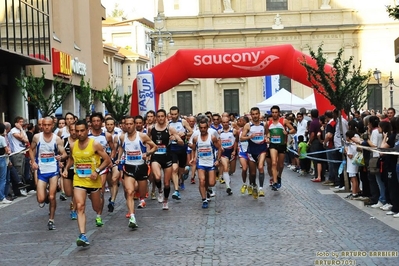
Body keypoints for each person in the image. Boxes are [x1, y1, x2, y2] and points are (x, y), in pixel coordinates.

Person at [62, 120, 111, 247]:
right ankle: (82, 235)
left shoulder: (95, 144)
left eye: (82, 130)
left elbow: (107, 160)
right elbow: (72, 159)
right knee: (80, 206)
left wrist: (97, 171)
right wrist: (67, 169)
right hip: (79, 180)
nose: (79, 133)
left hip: (94, 181)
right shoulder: (73, 145)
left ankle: (98, 212)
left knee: (96, 207)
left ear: (87, 131)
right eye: (77, 131)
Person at [117, 116, 157, 228]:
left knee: (142, 192)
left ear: (134, 124)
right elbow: (121, 147)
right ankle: (132, 217)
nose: (128, 126)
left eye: (131, 124)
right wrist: (119, 157)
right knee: (129, 191)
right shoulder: (122, 137)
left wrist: (147, 154)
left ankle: (143, 197)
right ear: (124, 125)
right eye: (127, 124)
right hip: (129, 167)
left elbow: (155, 147)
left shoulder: (142, 136)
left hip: (141, 167)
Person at [29, 117, 67, 230]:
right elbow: (31, 149)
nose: (46, 127)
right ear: (41, 125)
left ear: (52, 125)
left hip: (53, 171)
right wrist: (33, 161)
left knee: (52, 196)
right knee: (41, 199)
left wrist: (61, 157)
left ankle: (51, 219)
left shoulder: (57, 139)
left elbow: (64, 154)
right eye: (44, 125)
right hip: (41, 170)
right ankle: (45, 197)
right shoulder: (37, 137)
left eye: (49, 125)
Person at [149, 109, 184, 210]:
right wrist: (148, 153)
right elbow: (148, 141)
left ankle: (165, 200)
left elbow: (181, 142)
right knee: (157, 177)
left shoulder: (170, 128)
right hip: (155, 156)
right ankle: (159, 190)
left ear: (165, 117)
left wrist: (176, 139)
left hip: (167, 157)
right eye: (158, 116)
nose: (160, 118)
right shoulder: (151, 128)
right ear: (156, 117)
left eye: (162, 116)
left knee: (167, 183)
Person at [88, 112, 115, 224]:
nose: (96, 123)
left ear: (102, 122)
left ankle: (99, 215)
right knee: (92, 194)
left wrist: (111, 159)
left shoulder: (107, 135)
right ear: (91, 123)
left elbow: (113, 149)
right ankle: (96, 202)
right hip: (89, 167)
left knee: (101, 190)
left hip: (103, 166)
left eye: (98, 121)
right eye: (94, 121)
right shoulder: (87, 135)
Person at [190, 118, 222, 208]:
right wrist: (193, 158)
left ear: (207, 127)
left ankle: (207, 189)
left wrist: (218, 160)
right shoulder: (196, 138)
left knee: (211, 183)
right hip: (201, 163)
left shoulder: (212, 137)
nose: (203, 130)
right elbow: (193, 148)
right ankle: (204, 200)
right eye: (201, 128)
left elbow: (219, 148)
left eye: (204, 128)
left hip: (211, 162)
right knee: (202, 180)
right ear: (199, 128)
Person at [267, 105, 296, 191]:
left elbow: (293, 130)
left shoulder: (284, 121)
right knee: (274, 163)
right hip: (273, 145)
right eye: (273, 112)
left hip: (282, 145)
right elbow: (267, 133)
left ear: (279, 113)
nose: (274, 114)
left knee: (280, 165)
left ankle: (279, 176)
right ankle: (275, 182)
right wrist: (268, 137)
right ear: (271, 113)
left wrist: (287, 132)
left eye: (276, 112)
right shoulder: (268, 123)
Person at [240, 107, 268, 198]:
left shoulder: (264, 124)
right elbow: (241, 138)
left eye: (257, 114)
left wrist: (267, 138)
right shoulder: (248, 125)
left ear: (259, 114)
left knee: (260, 167)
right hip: (251, 151)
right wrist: (249, 137)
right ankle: (253, 185)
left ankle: (260, 189)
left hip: (262, 149)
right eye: (253, 114)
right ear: (251, 115)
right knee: (252, 173)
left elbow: (267, 133)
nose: (255, 116)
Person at [168, 106, 192, 197]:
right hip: (172, 149)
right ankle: (176, 190)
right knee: (174, 169)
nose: (173, 116)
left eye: (175, 114)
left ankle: (184, 175)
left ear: (178, 114)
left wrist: (185, 133)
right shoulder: (168, 123)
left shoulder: (183, 122)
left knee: (181, 170)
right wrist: (170, 136)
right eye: (172, 114)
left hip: (182, 148)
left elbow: (191, 131)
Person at [61, 123, 78, 220]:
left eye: (76, 130)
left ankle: (74, 210)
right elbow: (62, 154)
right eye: (72, 130)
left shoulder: (81, 141)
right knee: (68, 193)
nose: (74, 132)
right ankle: (73, 201)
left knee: (76, 190)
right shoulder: (65, 141)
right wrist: (61, 159)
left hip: (78, 170)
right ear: (69, 131)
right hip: (67, 169)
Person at [219, 116, 238, 195]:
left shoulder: (233, 131)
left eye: (227, 122)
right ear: (221, 123)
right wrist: (220, 148)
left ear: (229, 122)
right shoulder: (219, 132)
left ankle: (227, 178)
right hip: (224, 152)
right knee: (225, 167)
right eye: (224, 122)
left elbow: (236, 141)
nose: (225, 124)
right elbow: (218, 142)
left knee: (232, 170)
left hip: (232, 152)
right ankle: (228, 186)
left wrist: (234, 150)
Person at [344, 130, 360, 199]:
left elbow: (350, 155)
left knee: (353, 179)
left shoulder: (351, 145)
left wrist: (346, 151)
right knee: (353, 178)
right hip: (352, 163)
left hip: (352, 163)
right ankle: (355, 191)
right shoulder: (353, 144)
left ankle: (354, 193)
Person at [0, 123, 12, 204]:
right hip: (1, 159)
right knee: (2, 179)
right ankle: (2, 197)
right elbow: (7, 150)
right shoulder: (2, 138)